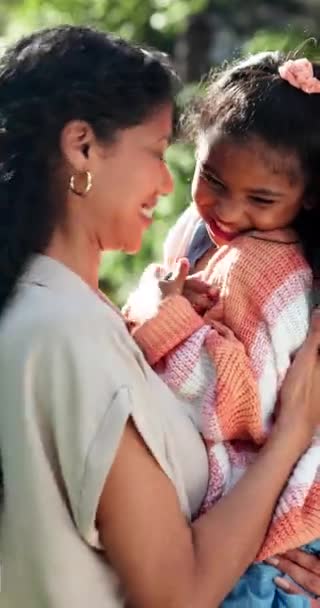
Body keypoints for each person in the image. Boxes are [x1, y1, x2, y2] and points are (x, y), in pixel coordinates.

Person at [0, 27, 319, 608]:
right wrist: (292, 433)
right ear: (83, 147)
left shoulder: (68, 314)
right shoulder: (65, 331)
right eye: (155, 151)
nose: (168, 183)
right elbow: (177, 593)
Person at [125, 53, 320, 605]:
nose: (227, 210)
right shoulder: (202, 236)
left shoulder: (257, 266)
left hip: (269, 552)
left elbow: (227, 399)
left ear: (308, 195)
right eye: (210, 178)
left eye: (260, 199)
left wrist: (159, 313)